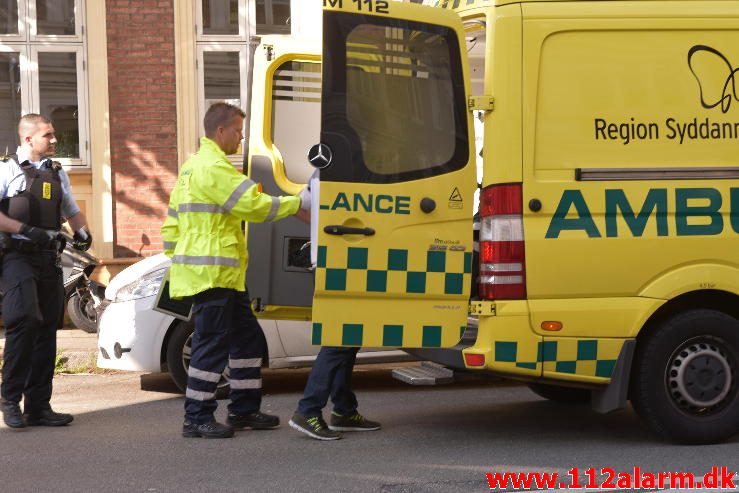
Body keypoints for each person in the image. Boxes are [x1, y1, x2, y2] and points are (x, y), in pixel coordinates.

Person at [161, 102, 309, 439]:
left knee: (248, 339)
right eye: (239, 131)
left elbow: (172, 224)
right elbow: (252, 206)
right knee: (212, 345)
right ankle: (196, 417)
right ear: (221, 131)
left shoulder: (191, 167)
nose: (241, 138)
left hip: (217, 273)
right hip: (214, 273)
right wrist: (297, 202)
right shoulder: (214, 167)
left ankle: (243, 409)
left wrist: (181, 258)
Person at [0, 114, 93, 430]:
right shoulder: (6, 169)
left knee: (47, 329)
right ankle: (10, 401)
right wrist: (27, 229)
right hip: (17, 256)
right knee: (24, 319)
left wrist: (83, 232)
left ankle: (38, 406)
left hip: (48, 257)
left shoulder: (55, 172)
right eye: (48, 135)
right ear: (28, 139)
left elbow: (71, 209)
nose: (55, 140)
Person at [288, 174, 381, 441]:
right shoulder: (330, 170)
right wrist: (323, 235)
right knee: (339, 339)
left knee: (349, 339)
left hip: (345, 261)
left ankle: (343, 410)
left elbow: (299, 206)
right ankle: (308, 410)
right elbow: (297, 206)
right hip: (338, 263)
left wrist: (320, 232)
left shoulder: (323, 171)